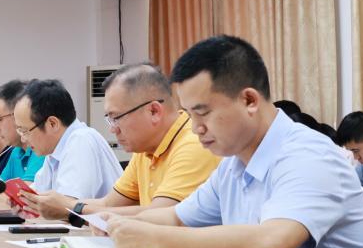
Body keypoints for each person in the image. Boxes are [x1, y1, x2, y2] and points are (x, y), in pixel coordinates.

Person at [101, 36, 363, 248]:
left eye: (203, 113)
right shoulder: (233, 164)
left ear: (249, 100)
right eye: (190, 114)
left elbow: (272, 244)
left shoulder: (309, 156)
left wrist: (153, 238)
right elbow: (176, 217)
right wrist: (114, 223)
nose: (195, 128)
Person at [26, 64, 220, 220]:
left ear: (153, 111)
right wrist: (57, 204)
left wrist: (70, 208)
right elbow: (108, 204)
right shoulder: (145, 150)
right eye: (109, 119)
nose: (112, 129)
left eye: (116, 117)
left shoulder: (193, 144)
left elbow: (159, 215)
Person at [13, 79, 122, 216]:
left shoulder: (81, 141)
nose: (23, 139)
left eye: (25, 131)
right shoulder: (54, 151)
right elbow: (36, 199)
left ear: (52, 124)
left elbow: (65, 210)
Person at [0, 80, 45, 183]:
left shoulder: (41, 147)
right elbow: (0, 186)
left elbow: (27, 191)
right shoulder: (16, 151)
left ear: (18, 114)